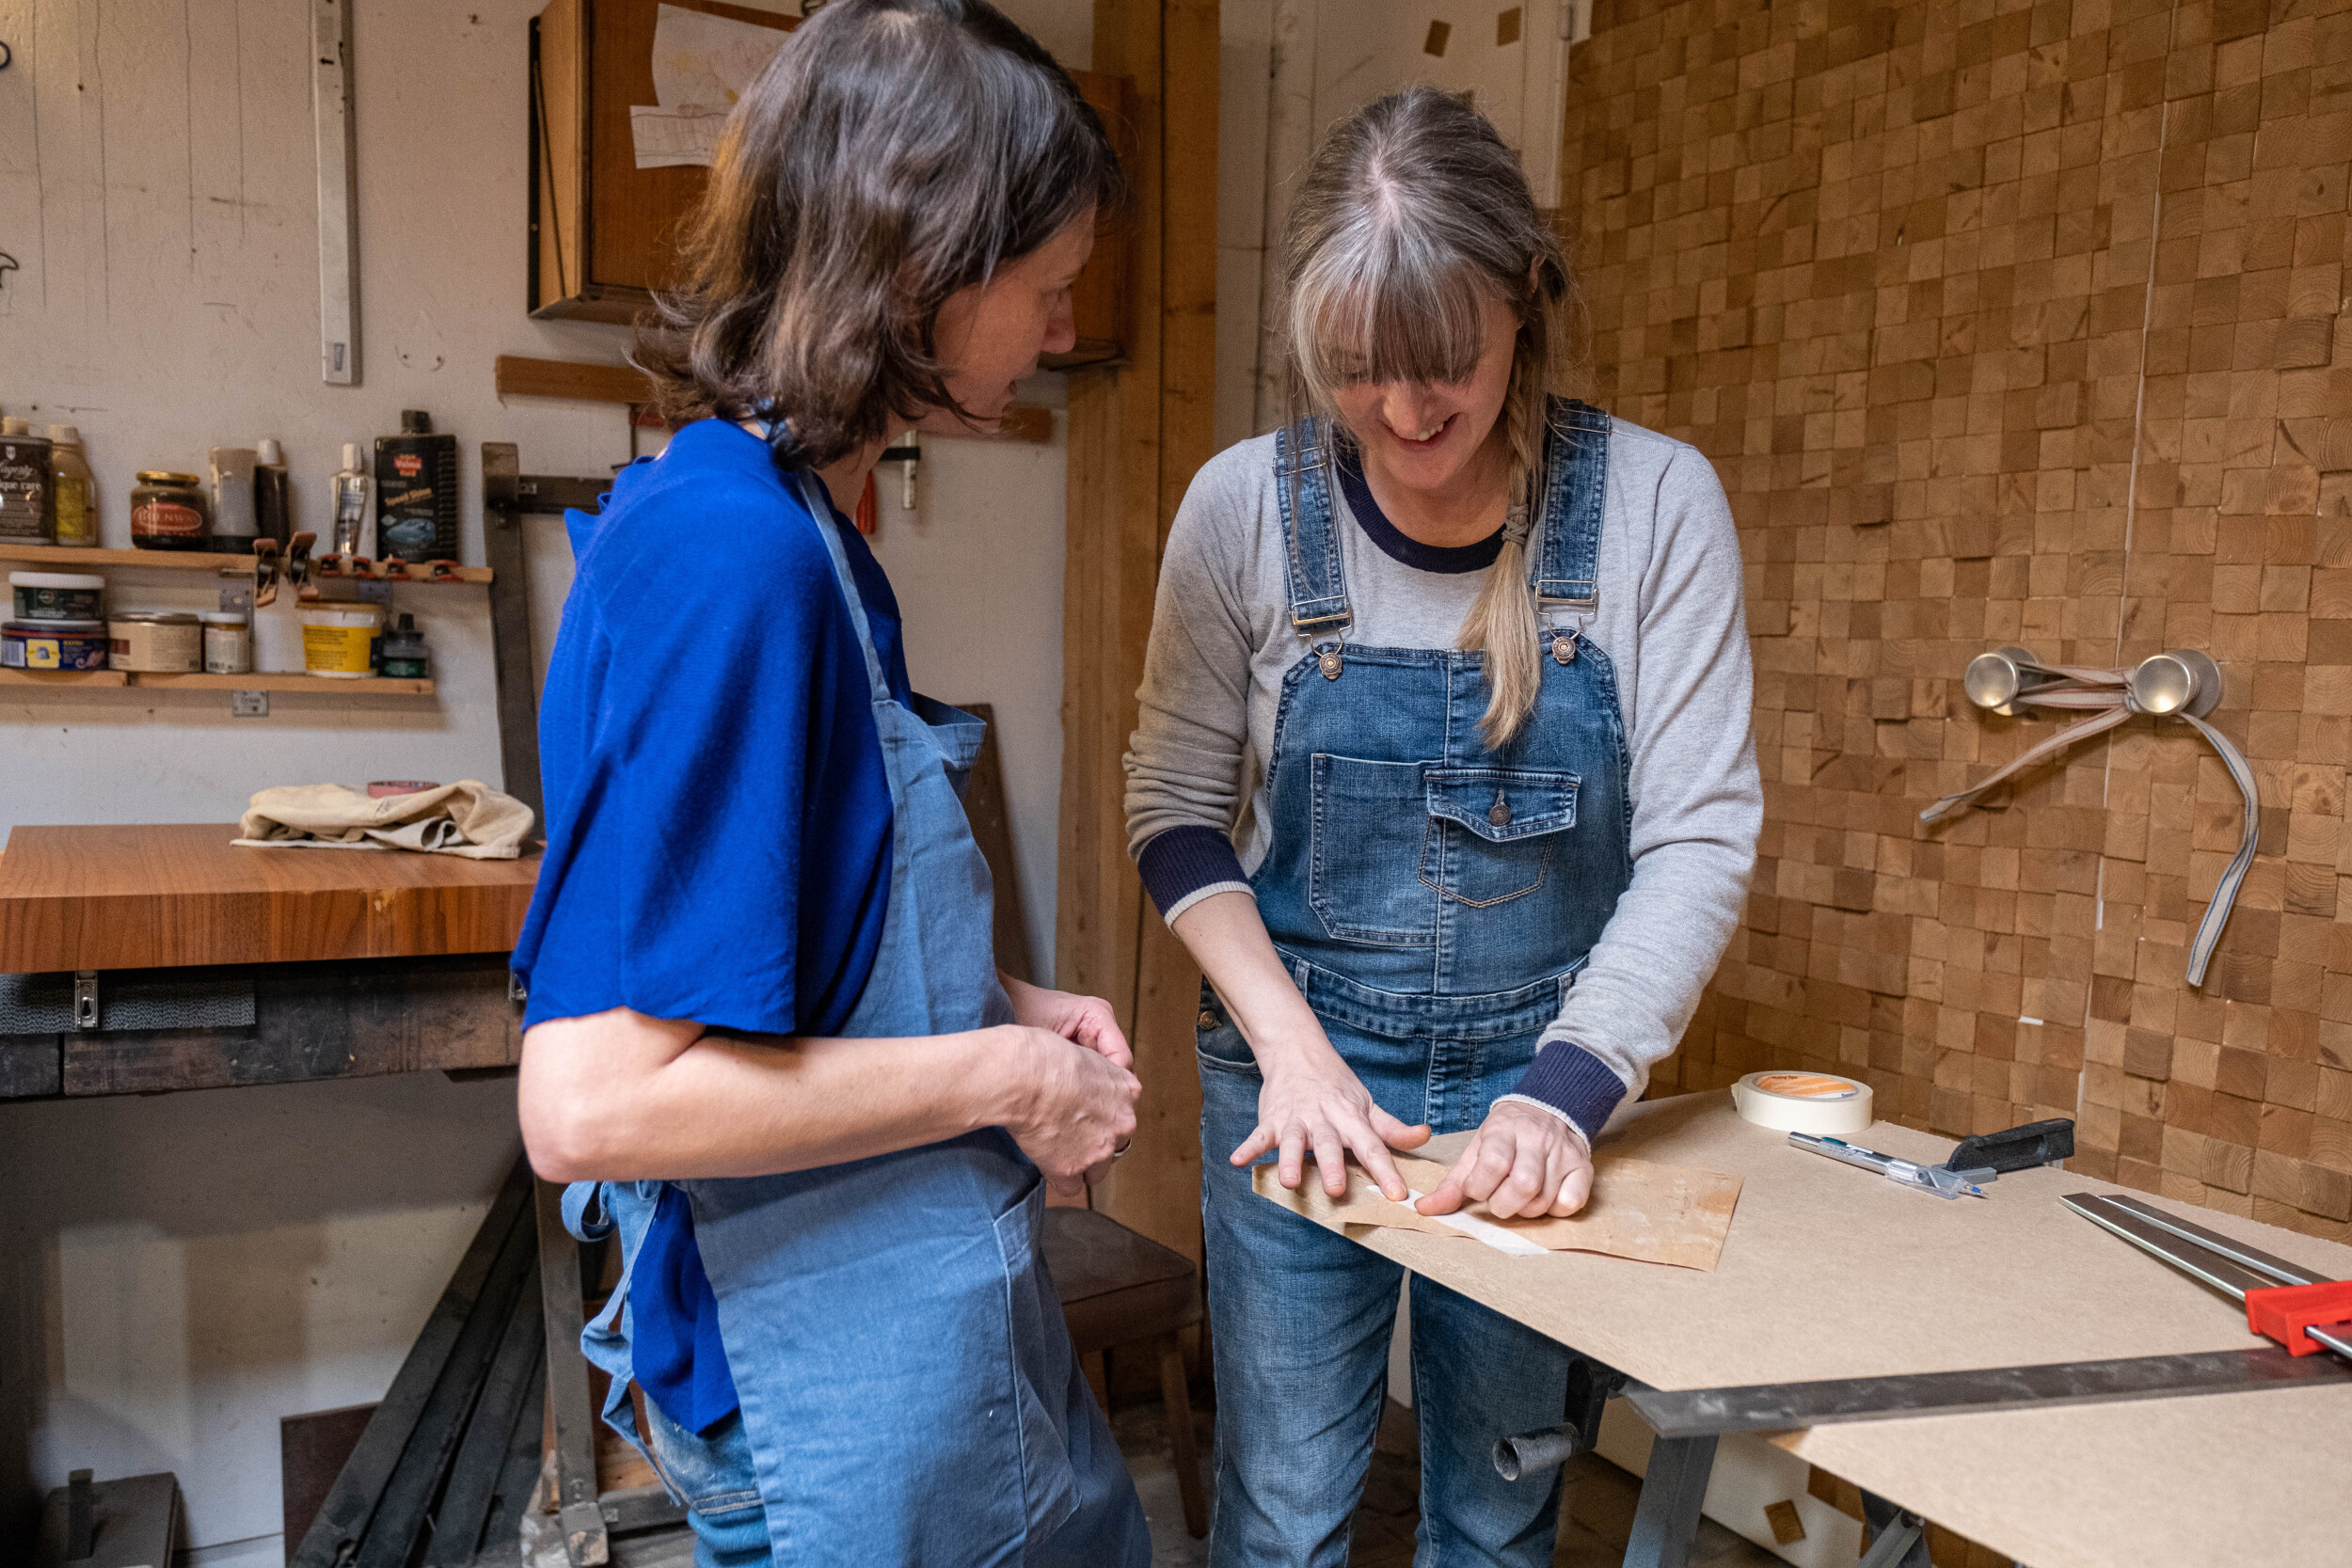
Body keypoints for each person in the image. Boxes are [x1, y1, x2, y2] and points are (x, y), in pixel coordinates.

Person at [510, 5, 1150, 1564]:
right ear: (921, 266)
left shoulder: (792, 525)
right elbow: (592, 1105)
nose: (1059, 336)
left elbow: (775, 945)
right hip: (829, 1383)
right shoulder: (739, 561)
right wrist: (1005, 1082)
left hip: (926, 1340)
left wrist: (995, 1001)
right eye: (1046, 290)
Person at [1123, 87, 1762, 1565]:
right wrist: (1289, 1050)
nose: (1405, 414)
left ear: (1525, 300)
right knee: (1282, 1510)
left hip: (1533, 1088)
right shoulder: (1242, 511)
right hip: (1298, 1079)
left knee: (1498, 1505)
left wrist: (1565, 1090)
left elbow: (1702, 831)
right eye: (1358, 372)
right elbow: (1172, 812)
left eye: (1446, 366)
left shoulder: (1656, 507)